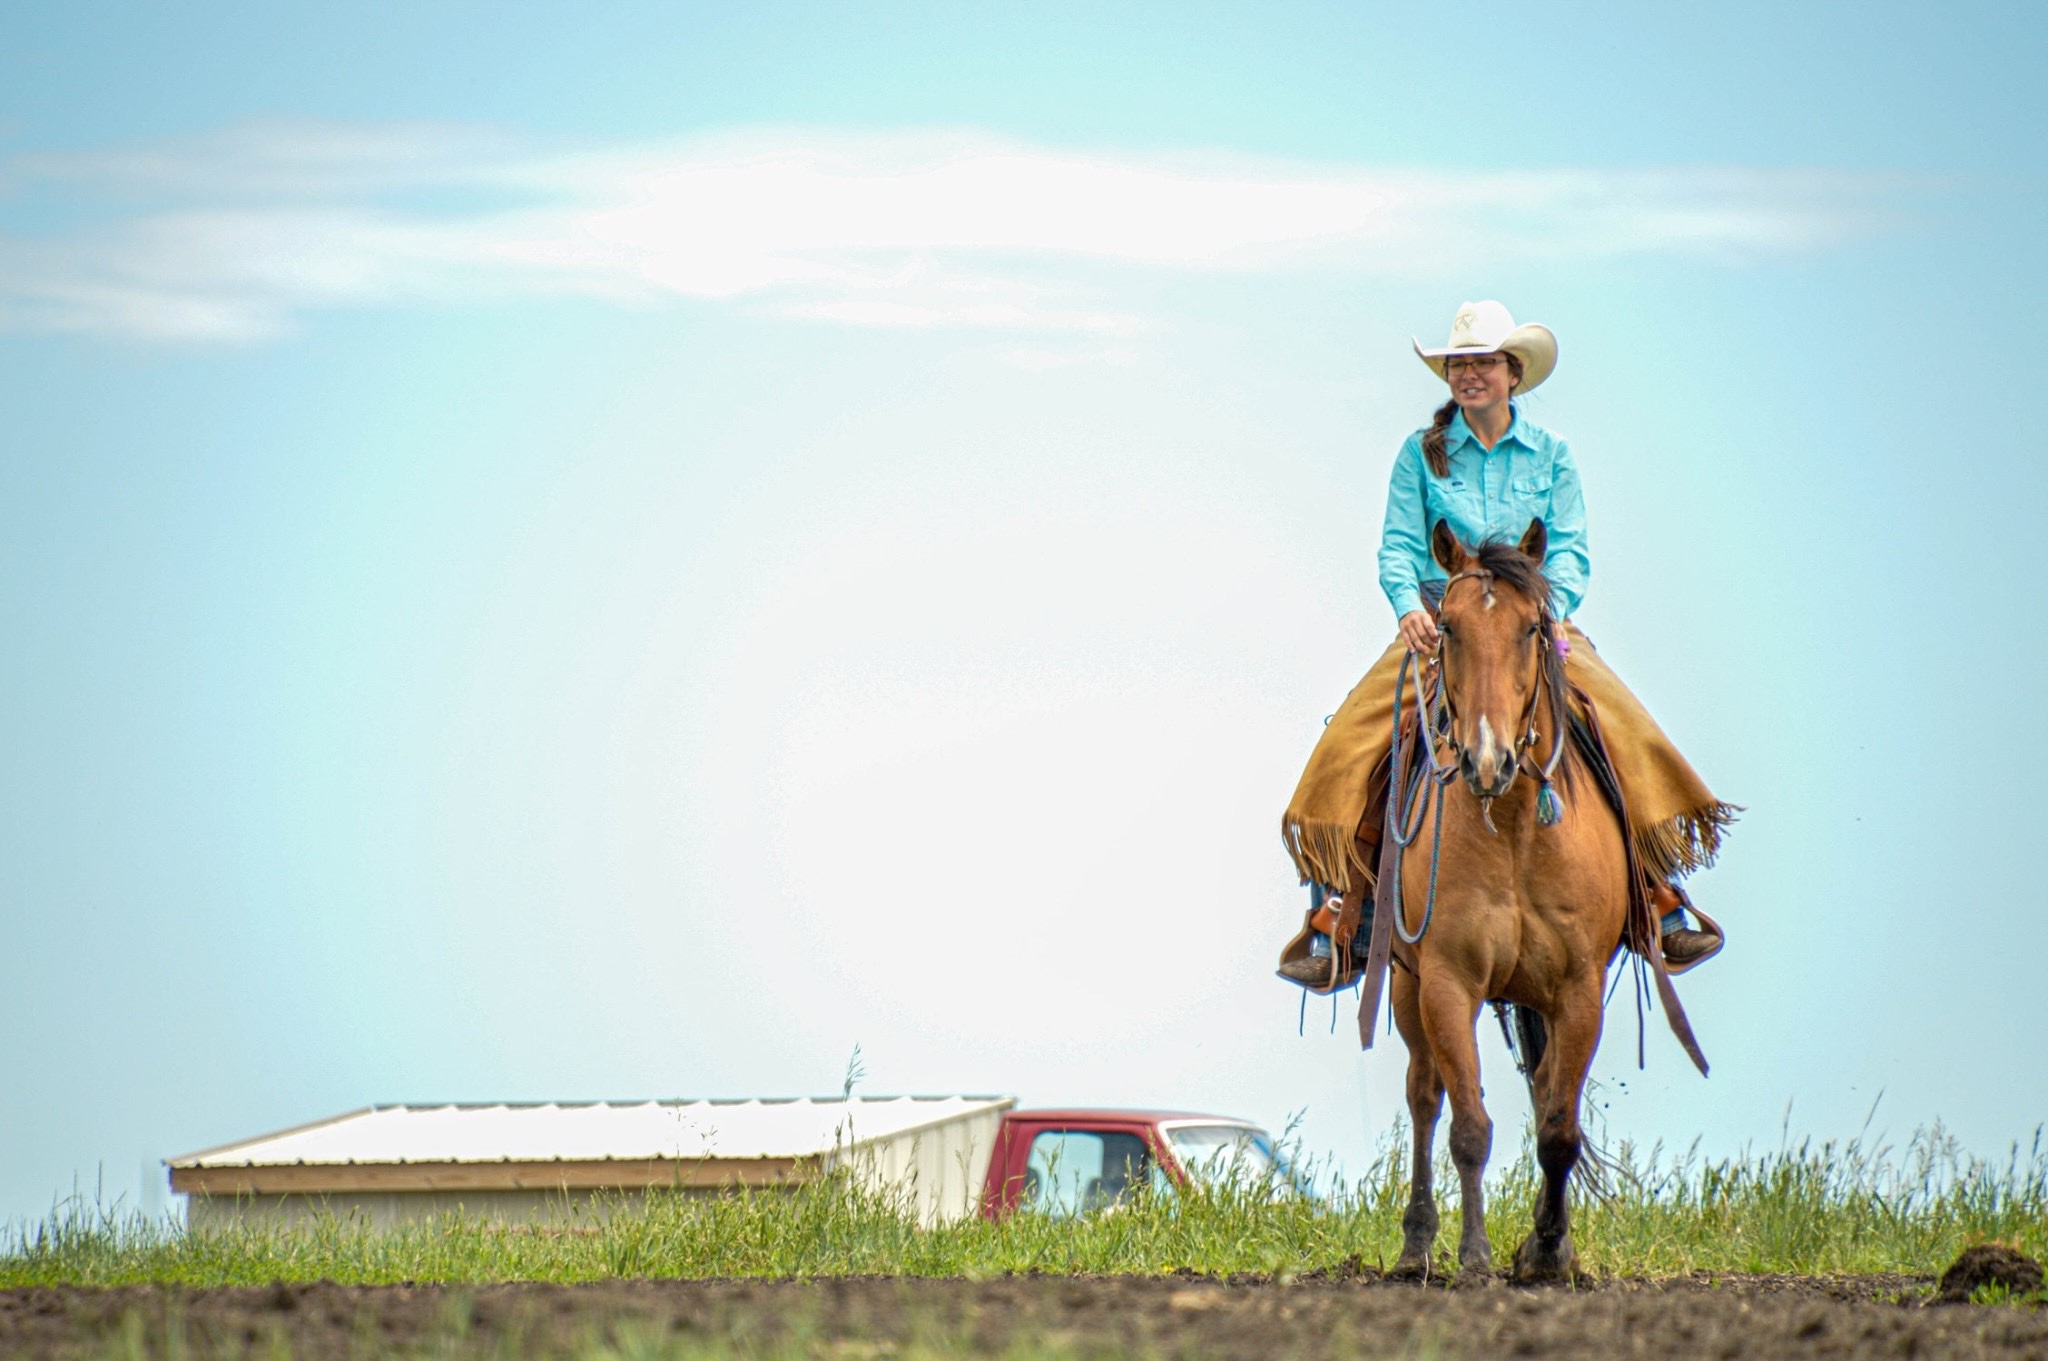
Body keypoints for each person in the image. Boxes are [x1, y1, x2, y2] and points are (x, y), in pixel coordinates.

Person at [1275, 301, 1733, 992]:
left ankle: (1655, 895)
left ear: (1513, 373)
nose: (1469, 375)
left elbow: (1571, 550)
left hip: (1533, 625)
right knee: (1353, 740)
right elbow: (1399, 545)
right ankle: (1345, 911)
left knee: (1620, 728)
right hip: (1443, 624)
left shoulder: (1552, 455)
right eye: (1459, 365)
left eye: (1483, 363)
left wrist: (1553, 616)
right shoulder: (1418, 454)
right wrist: (1408, 610)